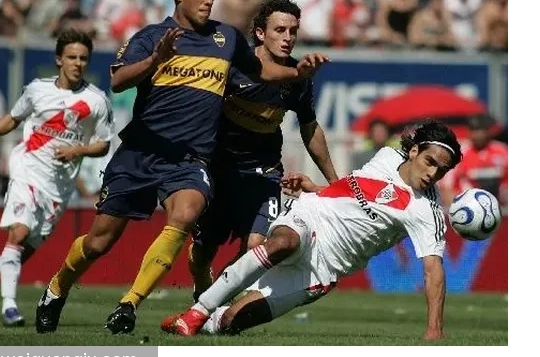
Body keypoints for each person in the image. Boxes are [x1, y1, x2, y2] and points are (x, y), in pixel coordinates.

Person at [35, 0, 327, 334]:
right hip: (141, 152)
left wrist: (297, 73)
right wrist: (155, 59)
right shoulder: (151, 36)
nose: (208, 0)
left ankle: (129, 304)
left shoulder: (227, 38)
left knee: (186, 214)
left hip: (191, 159)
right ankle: (56, 288)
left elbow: (261, 72)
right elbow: (118, 80)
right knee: (98, 243)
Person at [162, 119, 462, 341]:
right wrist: (317, 188)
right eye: (430, 162)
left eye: (442, 170)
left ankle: (206, 321)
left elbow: (433, 271)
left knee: (231, 321)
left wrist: (434, 329)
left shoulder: (426, 211)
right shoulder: (386, 156)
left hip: (324, 267)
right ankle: (198, 311)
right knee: (284, 242)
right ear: (413, 151)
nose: (432, 173)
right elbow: (353, 193)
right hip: (312, 215)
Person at [189, 0, 339, 302]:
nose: (288, 38)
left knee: (255, 247)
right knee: (203, 253)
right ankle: (204, 290)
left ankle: (208, 307)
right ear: (260, 33)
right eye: (280, 30)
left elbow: (310, 128)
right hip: (219, 168)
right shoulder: (234, 67)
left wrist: (335, 182)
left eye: (293, 31)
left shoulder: (298, 78)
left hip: (264, 171)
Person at [0, 28, 114, 326]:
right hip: (27, 169)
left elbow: (103, 144)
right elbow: (14, 118)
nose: (78, 63)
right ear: (59, 60)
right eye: (72, 57)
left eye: (83, 58)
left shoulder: (97, 101)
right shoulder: (37, 90)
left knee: (23, 251)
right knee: (19, 233)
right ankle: (10, 308)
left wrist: (77, 150)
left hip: (59, 186)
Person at [440, 113, 507, 209]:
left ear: (488, 131)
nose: (478, 135)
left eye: (481, 130)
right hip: (466, 209)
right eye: (474, 131)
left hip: (498, 207)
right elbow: (447, 187)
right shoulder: (459, 153)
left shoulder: (502, 150)